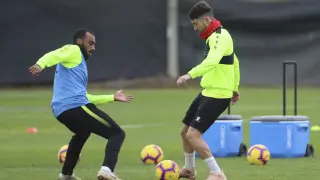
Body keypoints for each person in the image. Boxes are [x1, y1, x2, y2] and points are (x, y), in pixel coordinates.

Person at [29, 28, 133, 180]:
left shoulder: (77, 64)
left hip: (61, 110)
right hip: (74, 106)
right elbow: (54, 54)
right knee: (117, 133)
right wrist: (40, 64)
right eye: (90, 43)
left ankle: (66, 174)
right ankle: (106, 170)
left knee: (82, 133)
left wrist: (112, 97)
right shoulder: (73, 50)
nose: (93, 48)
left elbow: (85, 96)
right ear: (79, 41)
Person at [176, 1, 240, 180]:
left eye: (196, 24)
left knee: (193, 134)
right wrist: (235, 87)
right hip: (208, 91)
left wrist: (190, 74)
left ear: (206, 19)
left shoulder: (220, 36)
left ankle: (217, 173)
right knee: (184, 132)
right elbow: (234, 61)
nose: (195, 29)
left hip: (218, 94)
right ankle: (189, 170)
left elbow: (212, 61)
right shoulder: (213, 36)